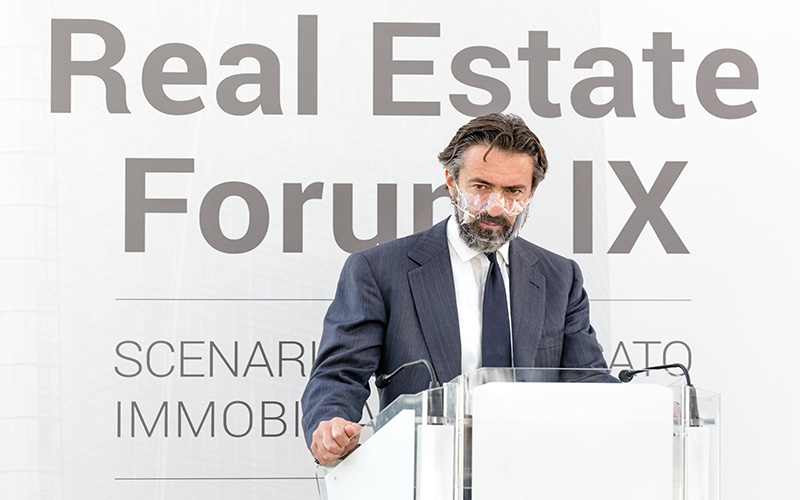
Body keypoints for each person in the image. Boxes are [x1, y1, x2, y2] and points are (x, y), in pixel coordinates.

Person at [301, 113, 612, 465]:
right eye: (481, 187)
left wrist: (647, 417)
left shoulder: (560, 278)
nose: (495, 206)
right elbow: (339, 375)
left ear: (531, 192)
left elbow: (590, 382)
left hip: (534, 472)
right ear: (451, 181)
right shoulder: (380, 270)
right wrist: (331, 424)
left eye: (513, 191)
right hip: (424, 473)